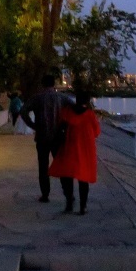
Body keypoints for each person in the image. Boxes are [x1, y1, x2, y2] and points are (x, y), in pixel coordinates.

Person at [20, 70, 75, 202]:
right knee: (62, 165)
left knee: (43, 167)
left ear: (43, 84)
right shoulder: (61, 98)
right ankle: (68, 193)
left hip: (42, 137)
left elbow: (23, 111)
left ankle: (45, 194)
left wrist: (33, 125)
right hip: (58, 137)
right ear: (53, 84)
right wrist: (67, 125)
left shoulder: (37, 98)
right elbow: (74, 108)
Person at [48, 90, 101, 214]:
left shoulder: (67, 112)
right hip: (86, 149)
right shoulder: (90, 115)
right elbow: (97, 132)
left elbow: (60, 126)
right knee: (84, 178)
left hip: (69, 148)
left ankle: (69, 203)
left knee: (67, 176)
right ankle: (83, 207)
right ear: (87, 101)